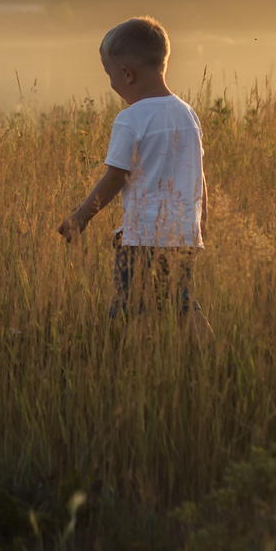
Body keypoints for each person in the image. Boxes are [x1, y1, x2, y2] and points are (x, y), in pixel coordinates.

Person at [57, 16, 205, 322]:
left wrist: (79, 218)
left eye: (109, 74)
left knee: (128, 307)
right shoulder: (187, 114)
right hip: (184, 234)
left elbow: (116, 176)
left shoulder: (131, 118)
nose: (110, 82)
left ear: (126, 73)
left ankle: (123, 357)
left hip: (143, 237)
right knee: (181, 303)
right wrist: (201, 224)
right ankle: (207, 349)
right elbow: (199, 176)